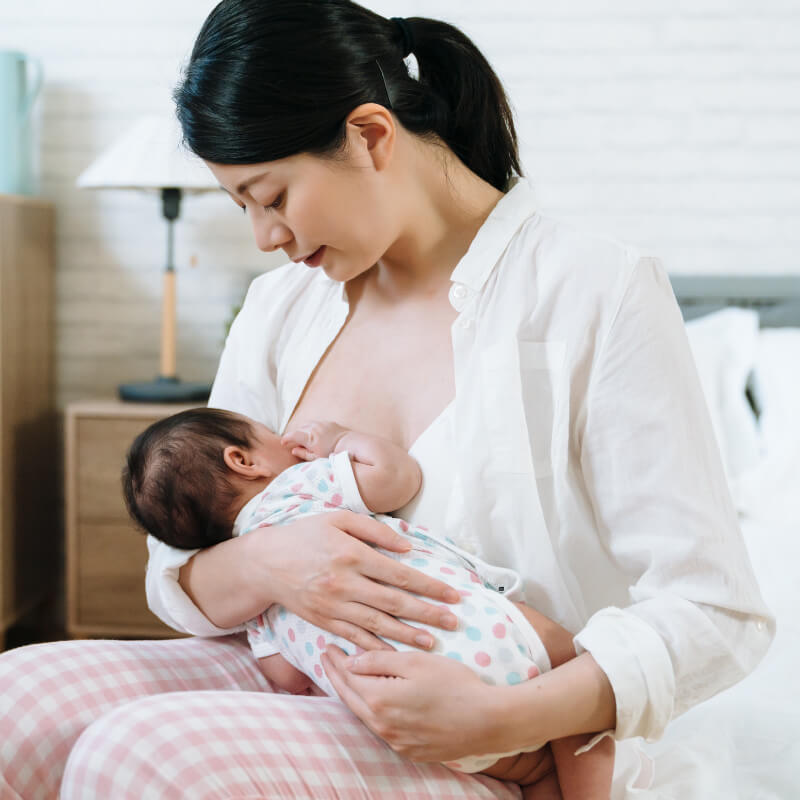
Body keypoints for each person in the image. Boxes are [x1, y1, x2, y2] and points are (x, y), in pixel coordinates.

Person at [0, 2, 774, 798]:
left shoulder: (592, 294)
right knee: (12, 707)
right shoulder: (279, 312)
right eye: (242, 207)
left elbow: (714, 610)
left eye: (271, 196)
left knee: (139, 756)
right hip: (313, 678)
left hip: (519, 739)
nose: (264, 236)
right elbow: (182, 573)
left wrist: (506, 720)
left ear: (370, 136)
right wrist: (272, 561)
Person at [121, 407, 615, 797]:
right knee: (579, 670)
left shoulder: (256, 608)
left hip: (420, 714)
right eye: (268, 431)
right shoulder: (297, 488)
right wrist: (337, 442)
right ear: (242, 460)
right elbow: (397, 477)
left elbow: (286, 678)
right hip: (479, 629)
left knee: (532, 771)